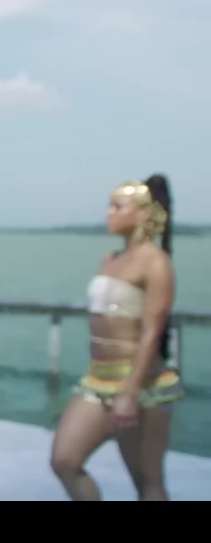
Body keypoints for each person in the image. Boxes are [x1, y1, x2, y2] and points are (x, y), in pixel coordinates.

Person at [50, 174, 182, 501]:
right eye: (109, 206)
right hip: (97, 379)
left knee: (147, 480)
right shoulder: (110, 259)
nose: (108, 213)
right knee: (64, 460)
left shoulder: (156, 262)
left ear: (143, 213)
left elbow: (152, 332)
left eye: (117, 207)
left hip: (141, 383)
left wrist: (130, 392)